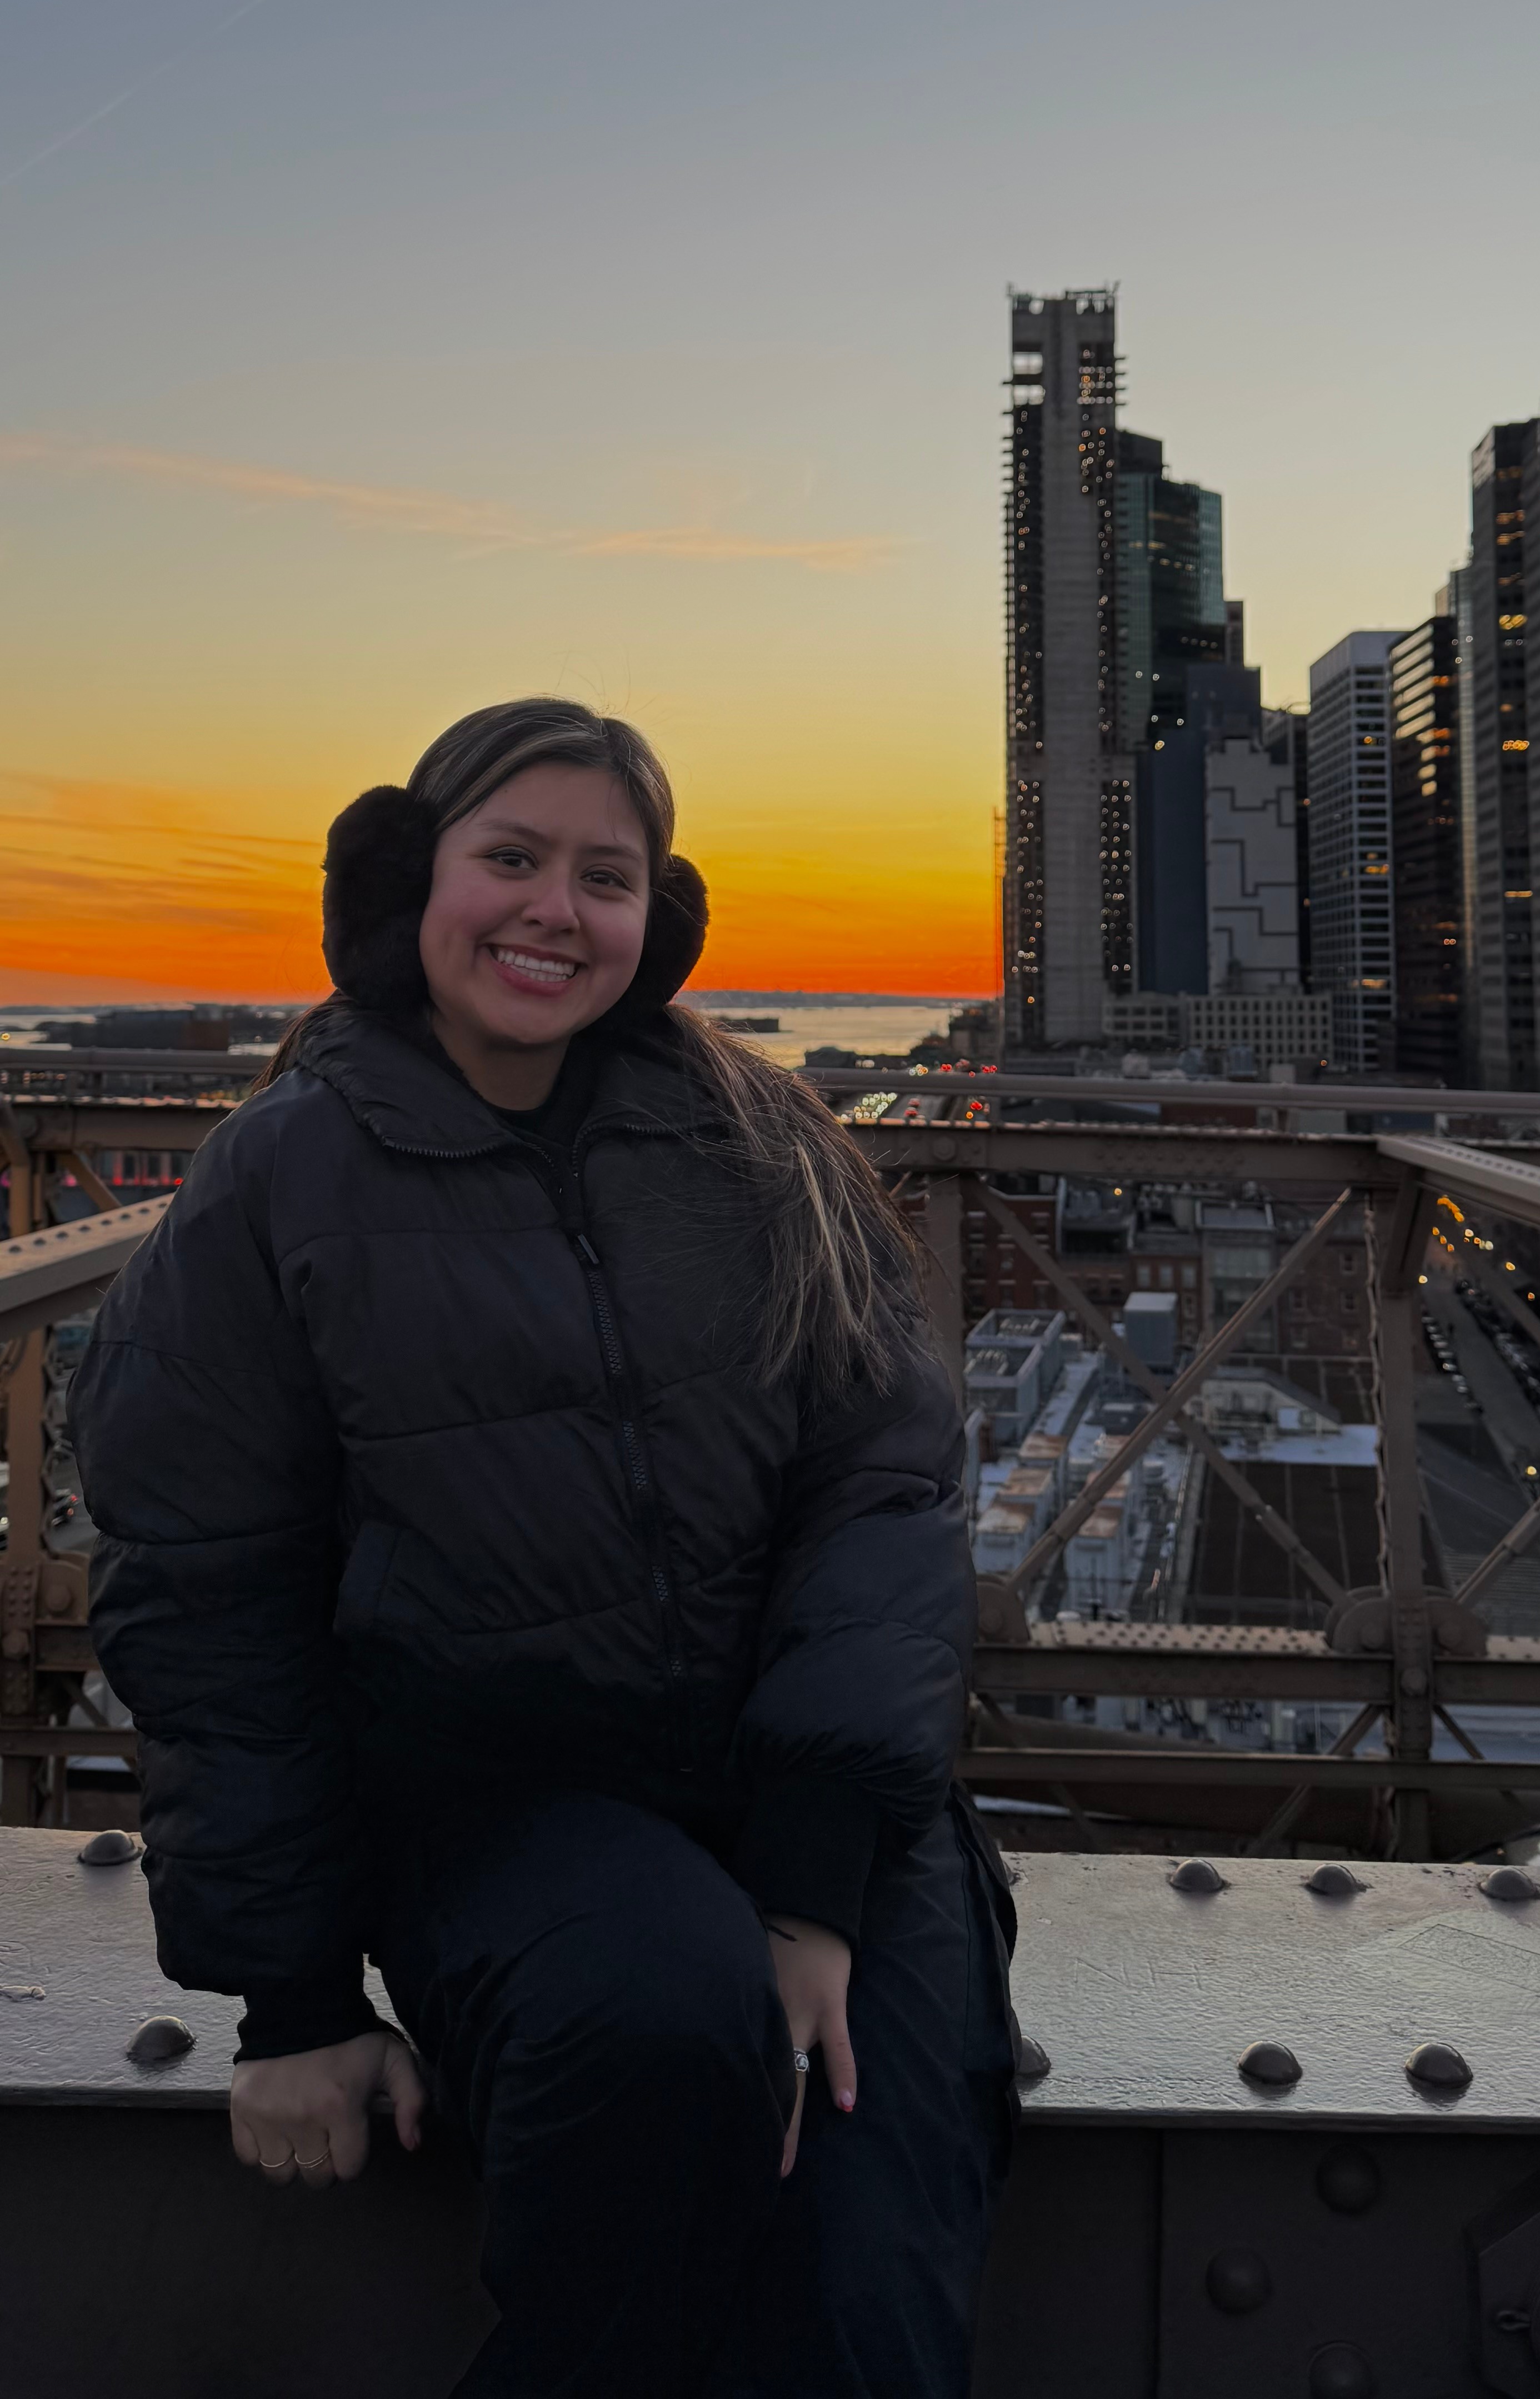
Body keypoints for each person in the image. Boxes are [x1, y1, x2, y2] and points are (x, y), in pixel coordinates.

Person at [71, 697, 1014, 2398]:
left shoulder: (761, 1143)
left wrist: (811, 1885)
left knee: (868, 2285)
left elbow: (884, 1491)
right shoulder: (280, 1178)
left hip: (817, 1800)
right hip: (496, 1810)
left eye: (606, 876)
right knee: (658, 2029)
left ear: (658, 916)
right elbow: (207, 1598)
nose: (553, 912)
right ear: (408, 877)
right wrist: (294, 2000)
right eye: (510, 857)